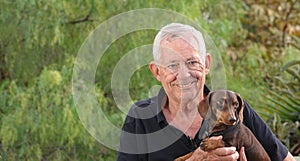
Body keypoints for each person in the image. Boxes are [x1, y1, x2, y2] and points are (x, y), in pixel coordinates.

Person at [116, 23, 295, 161]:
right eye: (172, 65)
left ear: (206, 64)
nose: (184, 74)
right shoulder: (140, 118)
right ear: (156, 72)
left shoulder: (236, 108)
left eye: (192, 62)